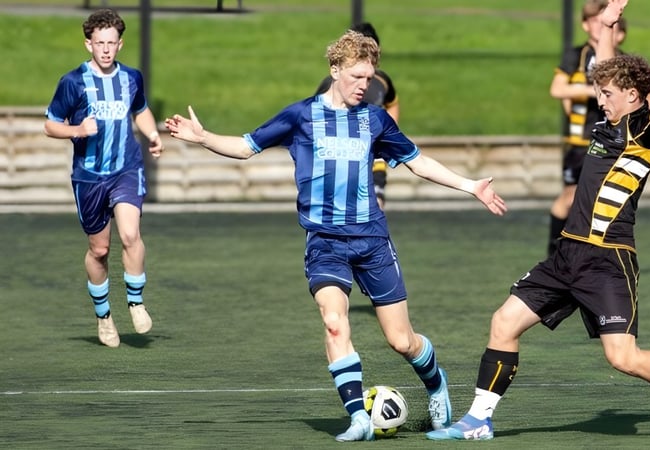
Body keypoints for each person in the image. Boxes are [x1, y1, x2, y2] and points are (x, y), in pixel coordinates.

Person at [165, 30, 507, 441]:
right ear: (334, 71)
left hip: (371, 241)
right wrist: (202, 138)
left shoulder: (375, 119)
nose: (366, 86)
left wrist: (471, 186)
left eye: (370, 78)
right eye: (357, 77)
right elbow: (246, 146)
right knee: (333, 323)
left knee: (401, 340)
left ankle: (435, 383)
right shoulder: (301, 116)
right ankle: (358, 417)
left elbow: (418, 162)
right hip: (324, 241)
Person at [428, 0, 650, 441]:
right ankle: (478, 420)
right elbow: (607, 68)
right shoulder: (607, 127)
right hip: (567, 252)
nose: (599, 100)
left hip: (608, 260)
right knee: (503, 322)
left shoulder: (645, 132)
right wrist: (607, 22)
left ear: (632, 96)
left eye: (607, 95)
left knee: (623, 358)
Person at [44, 8, 162, 348]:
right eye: (100, 43)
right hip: (89, 176)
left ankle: (136, 301)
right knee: (99, 250)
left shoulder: (132, 78)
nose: (106, 49)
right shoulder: (72, 82)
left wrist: (152, 135)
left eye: (112, 43)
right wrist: (77, 129)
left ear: (120, 44)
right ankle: (103, 315)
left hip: (126, 167)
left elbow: (140, 110)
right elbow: (50, 124)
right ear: (88, 44)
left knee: (130, 233)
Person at [547, 0, 650, 257]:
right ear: (585, 25)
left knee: (607, 198)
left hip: (614, 142)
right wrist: (593, 91)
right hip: (580, 140)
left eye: (608, 22)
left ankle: (595, 251)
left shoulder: (626, 62)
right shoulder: (576, 56)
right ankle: (555, 252)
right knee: (570, 196)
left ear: (621, 31)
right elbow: (557, 89)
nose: (601, 27)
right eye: (595, 21)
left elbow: (649, 99)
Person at [314, 22, 398, 210]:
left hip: (373, 159)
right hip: (339, 163)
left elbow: (393, 103)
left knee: (375, 206)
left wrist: (390, 134)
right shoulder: (328, 88)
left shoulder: (382, 81)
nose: (364, 84)